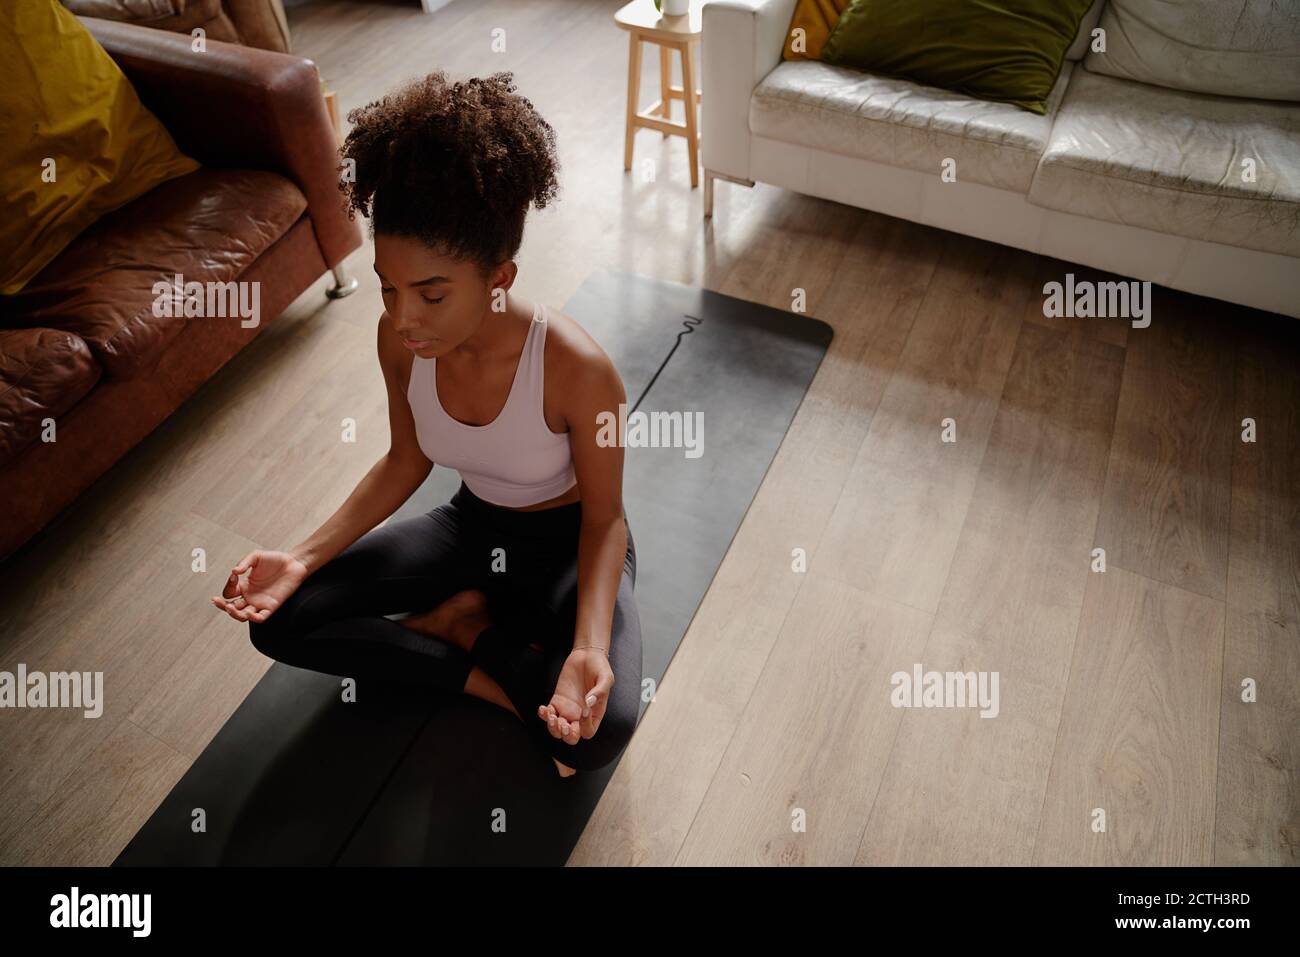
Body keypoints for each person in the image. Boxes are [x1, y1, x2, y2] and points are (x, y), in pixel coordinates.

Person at [209, 70, 642, 778]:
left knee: (598, 732)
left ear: (498, 280)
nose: (404, 317)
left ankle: (465, 629)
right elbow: (404, 462)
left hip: (568, 549)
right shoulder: (399, 338)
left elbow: (605, 521)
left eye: (432, 294)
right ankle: (482, 651)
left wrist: (589, 647)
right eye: (389, 287)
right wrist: (302, 557)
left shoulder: (579, 370)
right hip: (470, 528)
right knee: (280, 618)